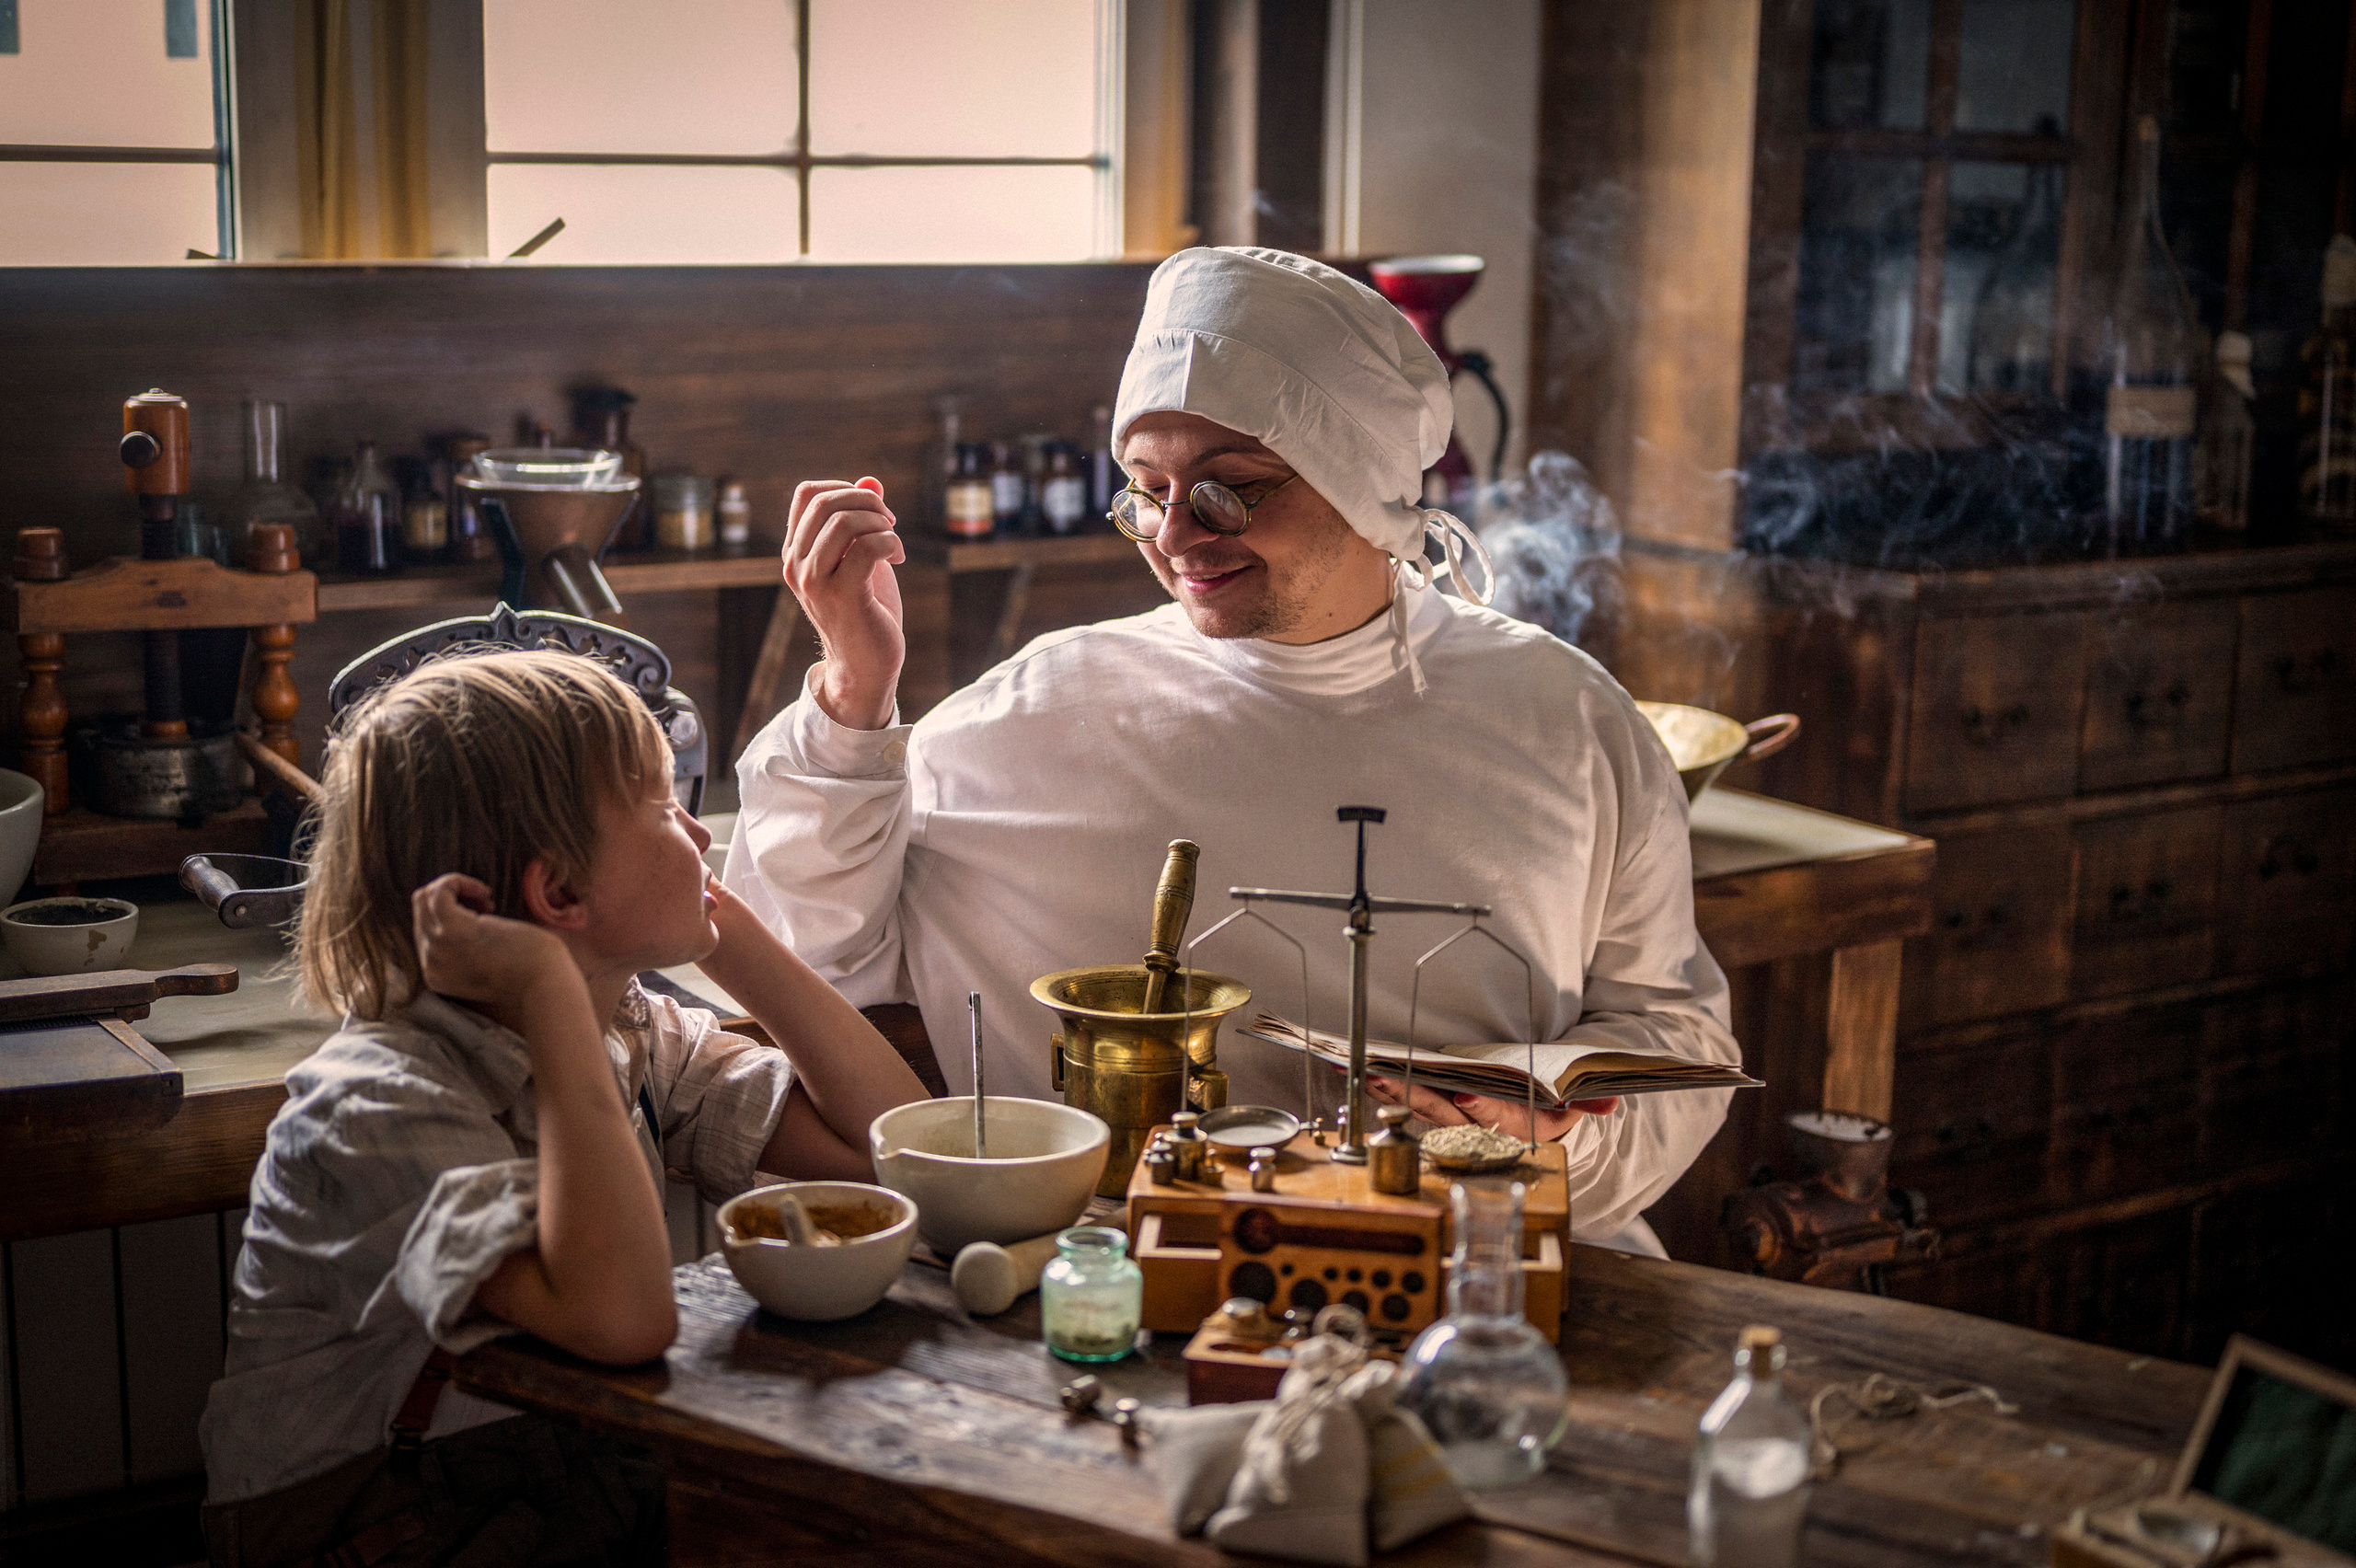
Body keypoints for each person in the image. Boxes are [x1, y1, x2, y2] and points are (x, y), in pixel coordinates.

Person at [726, 246, 1738, 1256]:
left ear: (1369, 488)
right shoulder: (1035, 714)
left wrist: (1550, 1149)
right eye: (1144, 489)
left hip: (1489, 1264)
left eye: (1230, 490)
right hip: (1129, 1278)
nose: (1174, 536)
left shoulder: (1567, 719)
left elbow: (1674, 1042)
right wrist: (855, 691)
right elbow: (811, 958)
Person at [200, 651, 926, 1567]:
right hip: (384, 1524)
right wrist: (544, 990)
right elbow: (622, 1319)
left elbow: (896, 1153)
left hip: (557, 1483)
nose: (700, 837)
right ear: (561, 894)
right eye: (666, 809)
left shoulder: (629, 1027)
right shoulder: (375, 1104)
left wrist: (726, 933)